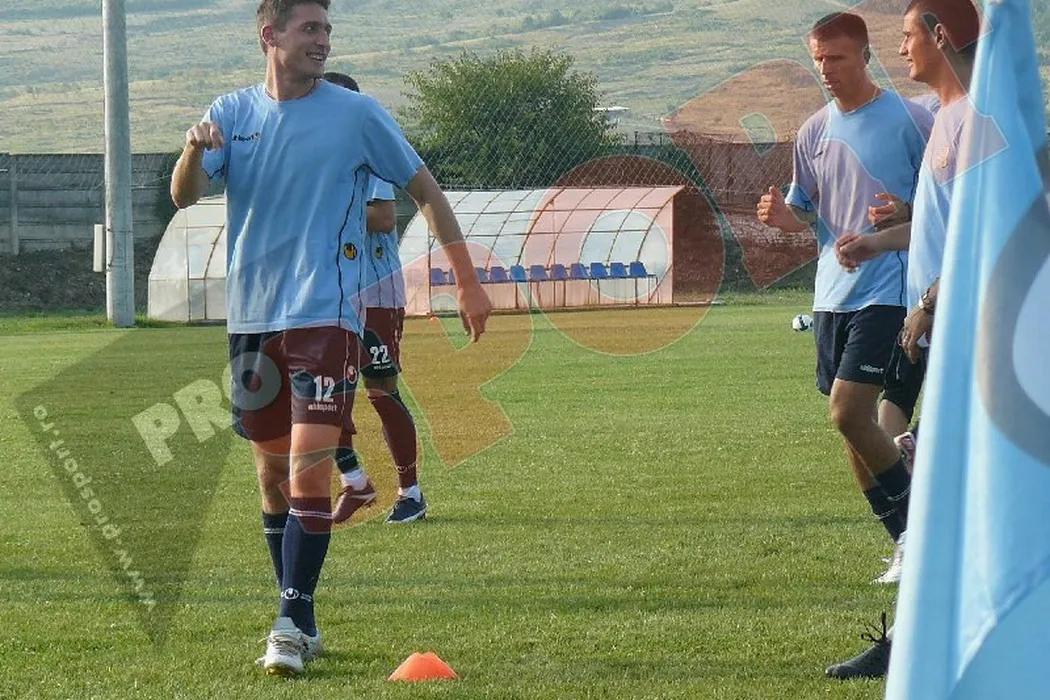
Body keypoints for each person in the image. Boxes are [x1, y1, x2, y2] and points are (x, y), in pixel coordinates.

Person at [170, 0, 492, 677]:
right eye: (309, 29)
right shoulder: (231, 112)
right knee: (270, 474)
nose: (323, 41)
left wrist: (466, 281)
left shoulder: (357, 114)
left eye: (327, 30)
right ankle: (302, 614)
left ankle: (289, 622)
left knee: (309, 466)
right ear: (270, 35)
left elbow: (426, 192)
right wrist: (193, 149)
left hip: (326, 315)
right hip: (251, 319)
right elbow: (184, 195)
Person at [826, 0, 982, 679]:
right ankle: (920, 626)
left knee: (942, 483)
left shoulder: (978, 122)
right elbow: (941, 225)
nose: (900, 49)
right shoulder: (948, 118)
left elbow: (982, 235)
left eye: (909, 35)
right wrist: (879, 240)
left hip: (960, 327)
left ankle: (929, 628)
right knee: (921, 478)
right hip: (937, 325)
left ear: (940, 36)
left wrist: (925, 303)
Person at [756, 11, 933, 575]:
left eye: (836, 58)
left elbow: (944, 205)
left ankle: (918, 534)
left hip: (890, 290)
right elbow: (806, 215)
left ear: (865, 56)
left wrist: (904, 214)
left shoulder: (912, 119)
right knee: (854, 434)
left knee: (849, 413)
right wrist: (781, 217)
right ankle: (906, 539)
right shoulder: (813, 132)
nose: (826, 69)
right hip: (832, 297)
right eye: (818, 60)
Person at [323, 71, 427, 525]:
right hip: (330, 292)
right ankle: (355, 481)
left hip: (375, 291)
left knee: (381, 391)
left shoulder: (368, 149)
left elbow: (384, 216)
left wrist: (322, 211)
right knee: (319, 393)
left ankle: (411, 493)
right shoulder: (312, 155)